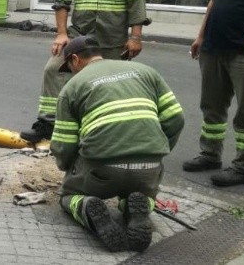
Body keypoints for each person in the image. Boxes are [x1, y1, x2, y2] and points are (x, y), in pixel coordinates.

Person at [20, 0, 151, 143]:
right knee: (53, 70)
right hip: (79, 39)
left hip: (112, 42)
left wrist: (136, 37)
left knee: (108, 86)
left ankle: (104, 132)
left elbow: (136, 4)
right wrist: (61, 34)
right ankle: (48, 122)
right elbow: (61, 3)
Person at [51, 36, 184, 252]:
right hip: (148, 167)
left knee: (68, 196)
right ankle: (136, 206)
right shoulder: (146, 71)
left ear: (75, 59)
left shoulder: (72, 87)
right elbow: (176, 118)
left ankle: (87, 207)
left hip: (102, 171)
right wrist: (156, 150)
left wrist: (69, 169)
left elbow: (64, 144)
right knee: (145, 194)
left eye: (69, 67)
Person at [184, 0, 244, 187]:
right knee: (212, 106)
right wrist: (201, 35)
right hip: (213, 46)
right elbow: (213, 0)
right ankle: (210, 154)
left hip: (242, 51)